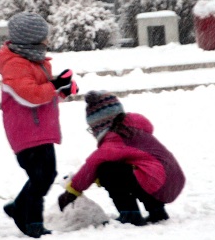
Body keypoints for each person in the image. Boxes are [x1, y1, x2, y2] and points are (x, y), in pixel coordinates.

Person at [0, 12, 78, 238]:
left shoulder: (33, 61)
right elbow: (30, 96)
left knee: (44, 175)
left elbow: (42, 94)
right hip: (26, 131)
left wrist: (62, 91)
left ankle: (19, 207)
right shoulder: (16, 66)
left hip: (39, 128)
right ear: (31, 40)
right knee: (42, 176)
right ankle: (30, 220)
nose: (47, 42)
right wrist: (55, 86)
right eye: (44, 38)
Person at [58, 91, 185, 226]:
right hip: (172, 181)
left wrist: (72, 192)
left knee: (106, 170)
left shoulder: (114, 140)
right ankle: (157, 212)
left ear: (100, 125)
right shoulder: (134, 131)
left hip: (157, 183)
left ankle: (130, 214)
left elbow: (92, 166)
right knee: (126, 170)